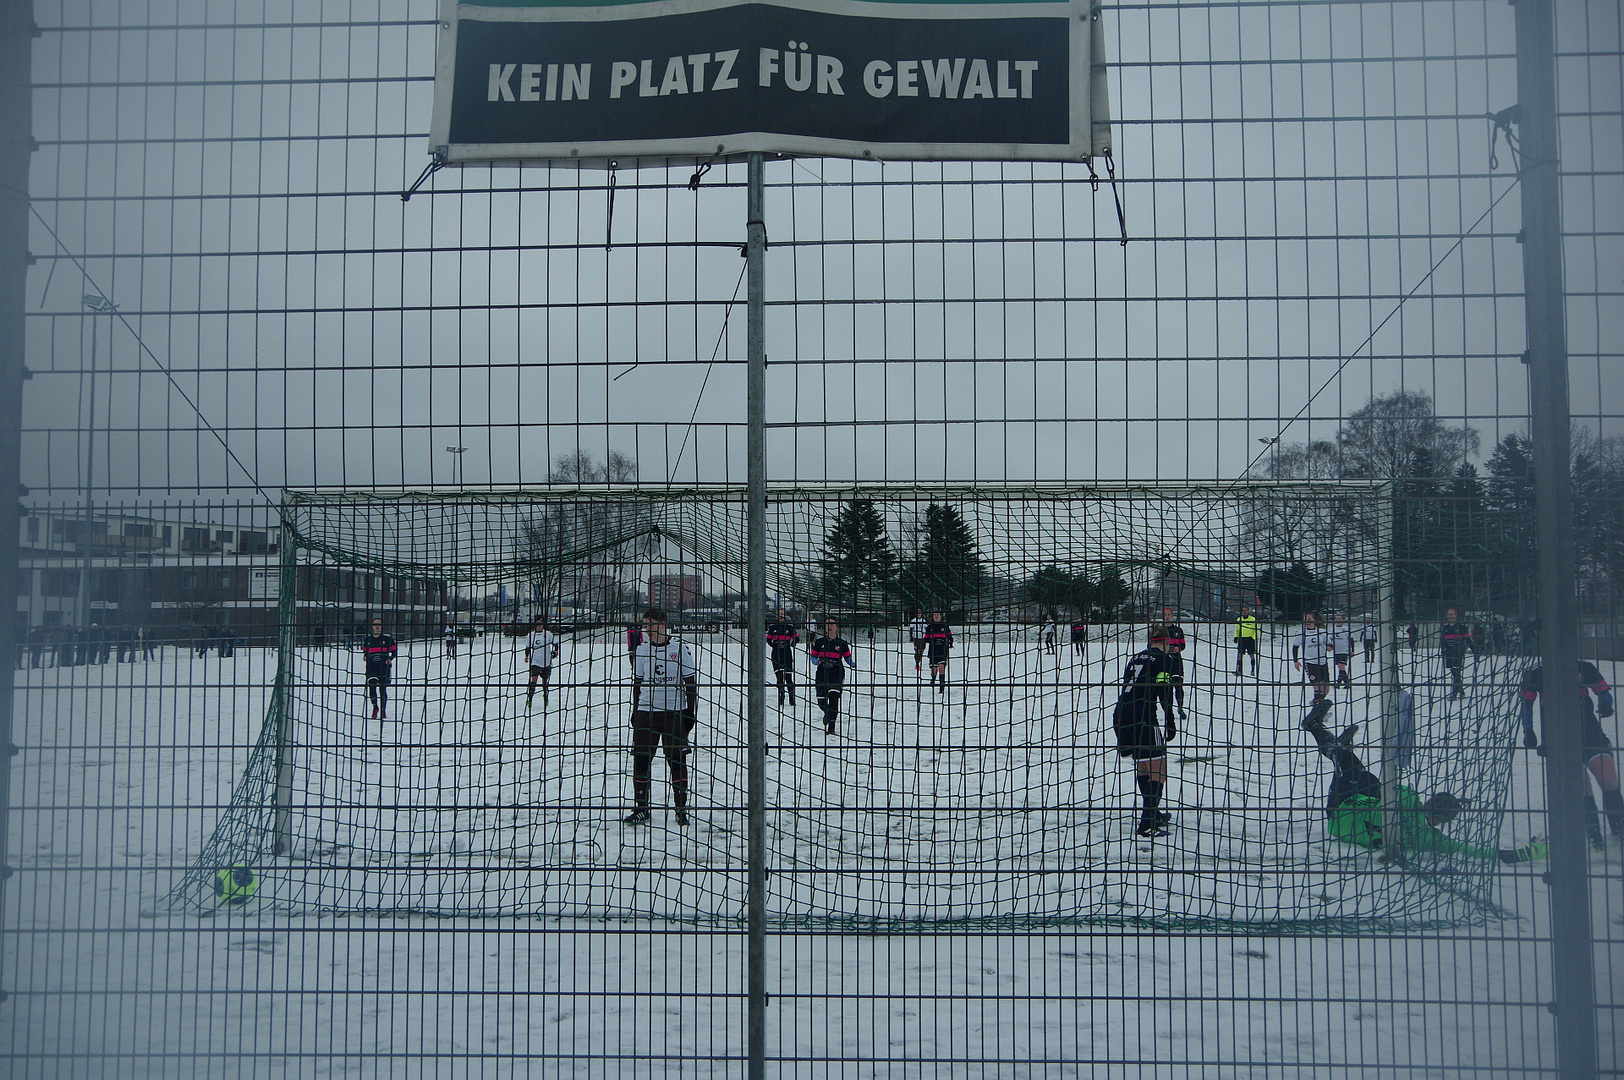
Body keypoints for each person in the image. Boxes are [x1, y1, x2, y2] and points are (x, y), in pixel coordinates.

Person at [1301, 700, 1547, 863]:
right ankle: (1341, 746)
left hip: (1341, 812)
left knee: (1346, 762)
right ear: (1442, 822)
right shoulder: (1429, 838)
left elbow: (1394, 785)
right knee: (1361, 773)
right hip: (1354, 814)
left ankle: (1316, 728)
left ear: (1429, 800)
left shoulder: (1407, 797)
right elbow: (1467, 849)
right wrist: (1511, 855)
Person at [1520, 661, 1624, 850]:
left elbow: (1603, 692)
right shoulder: (1536, 674)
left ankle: (1619, 833)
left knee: (1607, 777)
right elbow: (1526, 704)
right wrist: (1528, 730)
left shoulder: (1584, 667)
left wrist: (1606, 704)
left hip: (1591, 733)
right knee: (1581, 783)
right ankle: (1595, 839)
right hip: (1560, 738)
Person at [625, 607, 697, 826]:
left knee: (676, 759)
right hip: (647, 712)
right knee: (641, 759)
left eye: (650, 624)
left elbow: (690, 682)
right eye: (645, 625)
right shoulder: (641, 650)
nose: (646, 629)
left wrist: (689, 711)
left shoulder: (680, 648)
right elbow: (637, 683)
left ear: (663, 624)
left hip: (673, 712)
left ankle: (681, 809)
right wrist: (636, 710)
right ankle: (641, 808)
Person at [1112, 626, 1180, 838]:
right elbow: (1164, 692)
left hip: (1121, 714)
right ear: (1166, 640)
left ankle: (1154, 813)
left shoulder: (1135, 658)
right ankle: (1147, 823)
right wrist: (1170, 720)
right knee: (1160, 770)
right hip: (1144, 717)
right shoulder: (1164, 659)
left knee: (1144, 765)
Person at [808, 618, 857, 735]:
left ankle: (831, 726)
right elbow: (813, 657)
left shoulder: (842, 642)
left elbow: (847, 657)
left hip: (837, 672)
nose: (829, 626)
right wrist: (816, 662)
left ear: (836, 627)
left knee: (834, 698)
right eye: (827, 624)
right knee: (821, 701)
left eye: (832, 624)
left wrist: (852, 663)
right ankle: (828, 713)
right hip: (822, 673)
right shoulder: (819, 642)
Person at [1292, 611, 1333, 704]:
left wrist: (1330, 647)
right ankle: (1318, 707)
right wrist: (1296, 661)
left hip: (1323, 662)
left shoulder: (1322, 632)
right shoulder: (1301, 632)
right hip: (1310, 663)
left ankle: (1317, 702)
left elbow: (1330, 644)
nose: (1307, 621)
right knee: (1317, 687)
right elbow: (1295, 646)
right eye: (1306, 619)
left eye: (1309, 619)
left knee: (1326, 688)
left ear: (1314, 620)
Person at [361, 617, 398, 719]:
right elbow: (365, 652)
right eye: (375, 624)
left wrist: (390, 658)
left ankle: (383, 711)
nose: (377, 626)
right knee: (372, 688)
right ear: (372, 626)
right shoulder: (367, 640)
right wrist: (365, 656)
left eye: (379, 624)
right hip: (371, 667)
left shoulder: (388, 639)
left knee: (382, 690)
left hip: (384, 667)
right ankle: (375, 707)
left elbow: (394, 652)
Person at [521, 617, 561, 711]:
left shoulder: (548, 634)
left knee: (545, 683)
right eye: (537, 623)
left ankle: (545, 698)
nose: (539, 625)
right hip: (535, 662)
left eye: (541, 623)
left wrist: (556, 651)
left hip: (546, 662)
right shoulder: (530, 635)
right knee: (533, 681)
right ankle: (530, 700)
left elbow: (556, 643)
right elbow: (527, 647)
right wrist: (526, 656)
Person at [766, 608, 801, 707]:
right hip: (776, 654)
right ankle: (781, 696)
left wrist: (792, 644)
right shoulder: (773, 627)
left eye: (782, 614)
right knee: (779, 678)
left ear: (785, 615)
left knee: (789, 678)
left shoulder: (789, 627)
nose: (781, 616)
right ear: (777, 615)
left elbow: (797, 638)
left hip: (787, 654)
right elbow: (768, 639)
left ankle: (791, 697)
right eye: (779, 614)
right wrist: (774, 645)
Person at [1159, 609, 1189, 720]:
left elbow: (1183, 645)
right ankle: (1168, 710)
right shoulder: (1158, 629)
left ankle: (1180, 708)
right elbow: (1151, 645)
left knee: (1178, 685)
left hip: (1176, 661)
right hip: (1163, 662)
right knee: (1166, 688)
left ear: (1172, 616)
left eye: (1168, 614)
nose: (1166, 617)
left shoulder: (1178, 630)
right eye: (1164, 614)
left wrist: (1178, 648)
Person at [1440, 608, 1474, 699]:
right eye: (1448, 614)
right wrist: (1443, 650)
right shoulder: (1445, 628)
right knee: (1455, 674)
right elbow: (1442, 641)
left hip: (1459, 653)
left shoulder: (1462, 628)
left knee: (1456, 673)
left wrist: (1474, 650)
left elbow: (1468, 640)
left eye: (1452, 614)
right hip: (1449, 653)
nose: (1450, 616)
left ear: (1456, 615)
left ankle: (1454, 694)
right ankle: (1461, 692)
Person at [924, 610, 953, 694]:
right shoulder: (930, 627)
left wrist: (950, 643)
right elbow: (926, 638)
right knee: (933, 670)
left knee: (941, 668)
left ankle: (941, 687)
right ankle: (933, 679)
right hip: (933, 651)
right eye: (934, 615)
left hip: (942, 650)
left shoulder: (945, 626)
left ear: (940, 616)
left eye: (937, 615)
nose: (936, 616)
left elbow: (950, 636)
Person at [1233, 605, 1259, 676]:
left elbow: (1257, 630)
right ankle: (1239, 670)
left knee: (1251, 655)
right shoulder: (1239, 619)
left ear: (1248, 611)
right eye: (1243, 610)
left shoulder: (1253, 619)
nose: (1244, 612)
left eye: (1245, 610)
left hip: (1250, 639)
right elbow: (1237, 629)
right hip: (1242, 639)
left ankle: (1253, 670)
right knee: (1240, 655)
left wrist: (1253, 637)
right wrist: (1236, 637)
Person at [1330, 613, 1354, 689]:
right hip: (1336, 651)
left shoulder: (1347, 629)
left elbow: (1351, 640)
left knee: (1341, 666)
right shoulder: (1332, 629)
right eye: (1336, 619)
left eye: (1339, 619)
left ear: (1342, 620)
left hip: (1344, 650)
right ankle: (1347, 683)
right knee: (1340, 667)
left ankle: (1338, 683)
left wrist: (1352, 650)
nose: (1338, 620)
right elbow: (1329, 640)